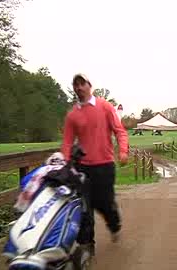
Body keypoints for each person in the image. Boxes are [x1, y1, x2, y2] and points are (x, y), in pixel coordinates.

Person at [61, 73, 128, 256]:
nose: (79, 88)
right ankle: (86, 246)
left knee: (104, 203)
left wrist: (123, 150)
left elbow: (119, 131)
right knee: (84, 207)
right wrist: (66, 162)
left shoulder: (104, 106)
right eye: (76, 85)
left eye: (82, 84)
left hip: (104, 165)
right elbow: (67, 142)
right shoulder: (73, 115)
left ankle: (114, 224)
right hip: (82, 167)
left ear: (90, 86)